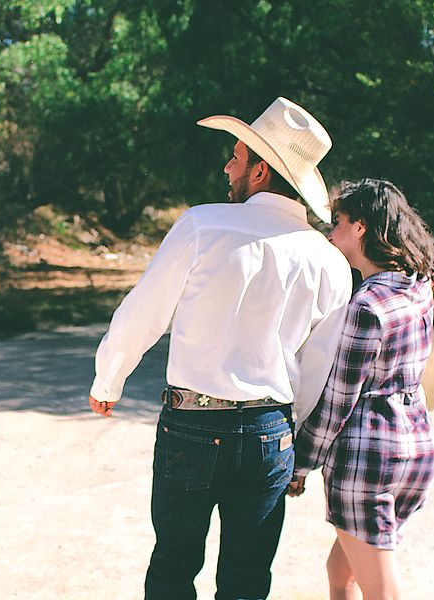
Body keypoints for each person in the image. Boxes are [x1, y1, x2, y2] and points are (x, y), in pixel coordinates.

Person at [88, 97, 353, 600]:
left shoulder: (202, 225)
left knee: (172, 568)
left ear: (259, 172)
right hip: (269, 432)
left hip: (192, 424)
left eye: (236, 157)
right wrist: (292, 439)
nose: (226, 165)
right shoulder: (328, 261)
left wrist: (109, 379)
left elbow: (144, 311)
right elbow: (319, 369)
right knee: (248, 579)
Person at [289, 178, 434, 600]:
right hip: (417, 449)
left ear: (359, 228)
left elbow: (340, 401)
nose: (330, 231)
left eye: (337, 222)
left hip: (368, 458)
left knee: (382, 591)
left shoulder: (366, 306)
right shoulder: (417, 285)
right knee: (341, 573)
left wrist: (300, 465)